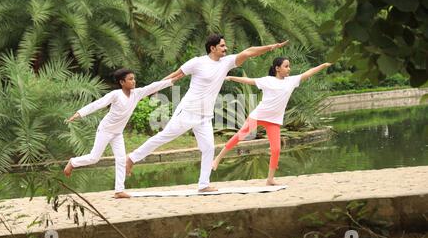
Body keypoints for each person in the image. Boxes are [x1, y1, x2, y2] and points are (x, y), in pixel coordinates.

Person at [125, 34, 289, 192]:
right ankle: (132, 158)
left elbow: (248, 51)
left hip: (205, 116)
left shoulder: (226, 63)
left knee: (209, 148)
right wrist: (154, 89)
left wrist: (270, 47)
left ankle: (203, 184)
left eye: (225, 45)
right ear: (213, 48)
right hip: (188, 111)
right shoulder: (197, 63)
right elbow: (176, 75)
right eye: (222, 46)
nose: (225, 48)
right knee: (164, 137)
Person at [212, 58, 332, 185]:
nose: (289, 69)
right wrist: (231, 78)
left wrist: (323, 65)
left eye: (289, 66)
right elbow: (249, 81)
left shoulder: (291, 81)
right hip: (258, 116)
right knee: (240, 136)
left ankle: (270, 179)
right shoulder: (267, 80)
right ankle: (217, 159)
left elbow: (308, 73)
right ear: (277, 68)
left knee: (276, 149)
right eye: (286, 66)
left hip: (274, 121)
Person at [63, 68, 178, 199]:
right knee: (94, 158)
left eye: (134, 78)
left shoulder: (137, 94)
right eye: (130, 79)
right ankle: (73, 162)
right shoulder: (115, 95)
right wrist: (79, 113)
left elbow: (152, 87)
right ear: (122, 82)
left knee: (121, 160)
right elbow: (98, 104)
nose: (134, 81)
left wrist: (172, 80)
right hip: (105, 130)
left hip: (118, 133)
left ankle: (119, 191)